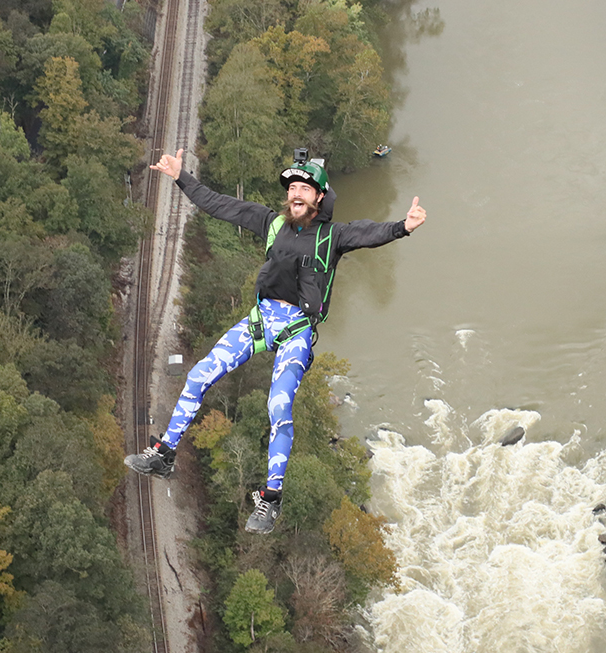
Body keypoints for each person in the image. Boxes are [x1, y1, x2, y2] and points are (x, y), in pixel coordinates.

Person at [126, 147, 427, 534]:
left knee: (278, 404)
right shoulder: (271, 223)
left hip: (297, 330)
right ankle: (164, 454)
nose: (296, 194)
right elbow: (219, 205)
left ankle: (271, 499)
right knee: (199, 375)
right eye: (292, 189)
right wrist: (181, 176)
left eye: (305, 189)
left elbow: (369, 232)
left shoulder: (333, 236)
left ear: (319, 197)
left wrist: (403, 226)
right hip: (262, 320)